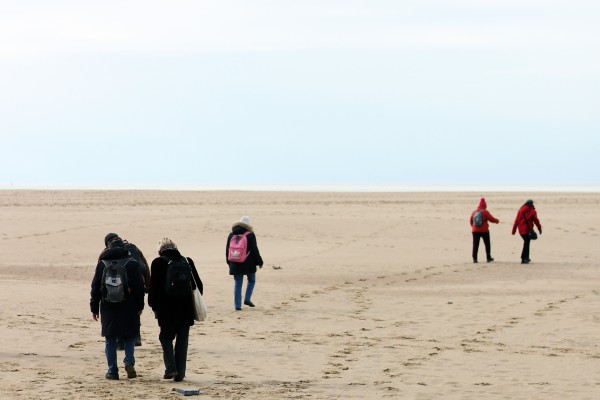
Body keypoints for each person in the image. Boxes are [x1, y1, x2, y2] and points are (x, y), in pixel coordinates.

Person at [90, 236, 145, 380]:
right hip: (129, 305)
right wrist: (140, 307)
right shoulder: (132, 263)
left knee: (110, 339)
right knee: (129, 336)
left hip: (108, 306)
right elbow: (139, 288)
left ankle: (112, 371)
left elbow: (95, 286)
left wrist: (94, 307)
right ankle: (129, 362)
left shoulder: (102, 263)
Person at [148, 238, 203, 382]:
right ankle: (180, 374)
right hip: (186, 310)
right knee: (182, 341)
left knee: (165, 338)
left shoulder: (158, 262)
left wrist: (154, 306)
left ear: (160, 250)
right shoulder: (187, 261)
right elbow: (199, 286)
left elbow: (153, 289)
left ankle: (171, 368)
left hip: (166, 310)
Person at [100, 233, 150, 347]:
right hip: (136, 284)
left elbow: (100, 273)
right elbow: (145, 266)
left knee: (117, 313)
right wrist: (147, 284)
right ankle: (136, 336)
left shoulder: (105, 252)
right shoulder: (133, 248)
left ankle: (120, 340)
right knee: (135, 311)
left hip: (113, 287)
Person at [226, 216, 264, 310]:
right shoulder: (250, 234)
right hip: (249, 264)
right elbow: (254, 250)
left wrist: (229, 262)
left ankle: (237, 306)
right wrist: (259, 262)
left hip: (234, 262)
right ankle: (247, 299)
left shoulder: (231, 235)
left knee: (238, 283)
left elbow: (227, 250)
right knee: (251, 280)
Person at [469, 197, 500, 263]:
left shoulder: (474, 212)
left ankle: (474, 259)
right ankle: (488, 257)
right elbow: (491, 219)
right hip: (484, 231)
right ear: (485, 206)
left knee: (475, 245)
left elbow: (471, 220)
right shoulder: (485, 212)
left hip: (475, 231)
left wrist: (473, 227)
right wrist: (497, 221)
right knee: (487, 244)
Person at [512, 199, 542, 264]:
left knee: (527, 242)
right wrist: (539, 228)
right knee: (526, 243)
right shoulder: (532, 211)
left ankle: (526, 257)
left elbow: (516, 221)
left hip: (521, 230)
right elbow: (536, 221)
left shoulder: (520, 210)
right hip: (527, 230)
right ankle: (523, 258)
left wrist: (513, 231)